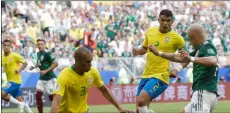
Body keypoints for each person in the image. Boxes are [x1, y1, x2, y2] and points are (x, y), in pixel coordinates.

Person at [149, 24, 218, 113]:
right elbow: (179, 57)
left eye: (190, 38)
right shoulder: (200, 50)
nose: (190, 42)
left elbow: (213, 61)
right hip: (208, 94)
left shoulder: (207, 46)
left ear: (194, 36)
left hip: (202, 93)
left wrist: (191, 58)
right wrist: (159, 53)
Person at [50, 47, 134, 113]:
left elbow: (104, 90)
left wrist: (120, 108)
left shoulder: (93, 72)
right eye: (87, 62)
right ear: (77, 60)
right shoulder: (64, 75)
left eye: (91, 61)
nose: (90, 65)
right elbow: (56, 102)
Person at [132, 9, 185, 113]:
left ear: (172, 21)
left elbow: (186, 57)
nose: (165, 23)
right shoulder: (150, 32)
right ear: (158, 20)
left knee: (141, 101)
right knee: (139, 109)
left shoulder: (177, 38)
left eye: (168, 20)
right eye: (163, 20)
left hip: (161, 76)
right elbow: (144, 49)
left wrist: (177, 69)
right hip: (146, 74)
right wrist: (138, 51)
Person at [2, 39, 33, 113]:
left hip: (15, 80)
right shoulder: (2, 58)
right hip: (10, 80)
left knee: (2, 94)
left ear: (10, 46)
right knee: (22, 102)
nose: (6, 47)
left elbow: (25, 63)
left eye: (8, 45)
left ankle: (20, 104)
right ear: (2, 46)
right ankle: (23, 105)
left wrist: (19, 70)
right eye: (5, 45)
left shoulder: (14, 55)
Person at [30, 39, 58, 113]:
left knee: (52, 98)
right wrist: (34, 66)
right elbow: (40, 63)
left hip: (50, 78)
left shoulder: (47, 53)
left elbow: (55, 63)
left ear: (45, 45)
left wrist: (46, 71)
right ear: (37, 45)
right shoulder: (38, 54)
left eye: (42, 44)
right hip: (42, 78)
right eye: (38, 44)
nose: (40, 45)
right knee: (38, 95)